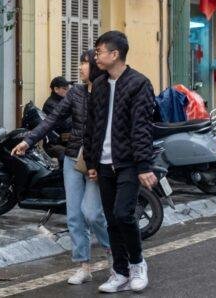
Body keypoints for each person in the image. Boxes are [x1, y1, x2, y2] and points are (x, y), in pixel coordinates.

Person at [12, 51, 111, 285]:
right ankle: (83, 266)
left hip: (97, 158)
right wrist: (28, 140)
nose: (80, 68)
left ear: (97, 66)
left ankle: (114, 256)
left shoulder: (107, 92)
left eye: (85, 63)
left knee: (93, 213)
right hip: (72, 158)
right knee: (75, 215)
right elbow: (51, 119)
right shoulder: (75, 92)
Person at [83, 31, 157, 293]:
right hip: (103, 165)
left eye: (99, 50)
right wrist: (91, 162)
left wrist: (144, 165)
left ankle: (138, 265)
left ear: (115, 54)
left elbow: (142, 128)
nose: (95, 55)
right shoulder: (100, 84)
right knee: (111, 220)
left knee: (123, 214)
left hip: (127, 163)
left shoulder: (139, 84)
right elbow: (91, 125)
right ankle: (120, 272)